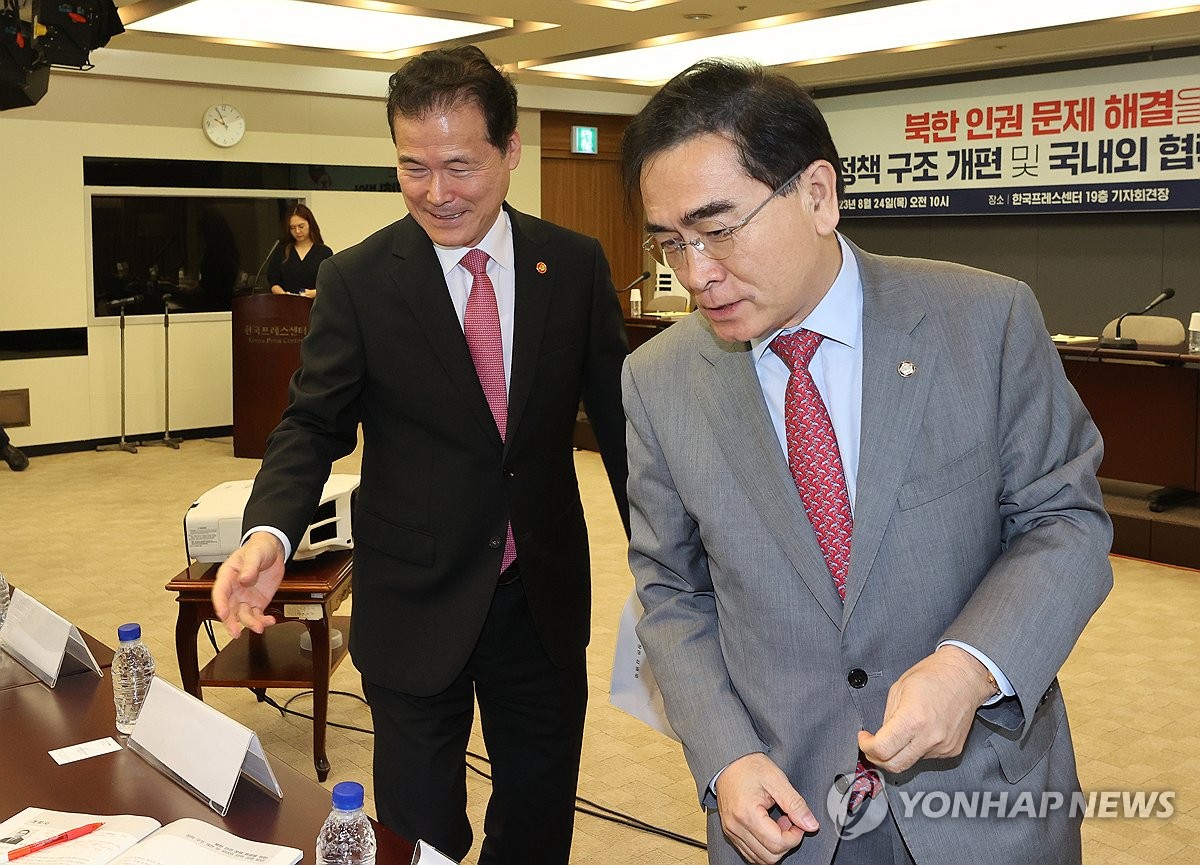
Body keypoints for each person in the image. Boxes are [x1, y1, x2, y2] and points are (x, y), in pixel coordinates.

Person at [619, 59, 1113, 865]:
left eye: (719, 228)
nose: (696, 273)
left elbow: (1064, 521)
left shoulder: (983, 323)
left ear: (817, 194)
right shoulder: (659, 378)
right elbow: (671, 590)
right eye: (671, 242)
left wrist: (969, 666)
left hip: (982, 799)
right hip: (782, 808)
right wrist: (724, 755)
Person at [211, 45, 629, 865]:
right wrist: (269, 534)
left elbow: (622, 431)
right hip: (414, 599)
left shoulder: (572, 266)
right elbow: (310, 424)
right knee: (419, 832)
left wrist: (673, 563)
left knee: (539, 821)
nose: (437, 194)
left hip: (538, 596)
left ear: (510, 152)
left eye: (460, 166)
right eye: (413, 168)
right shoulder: (361, 280)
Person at [267, 204, 333, 298]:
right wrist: (283, 295)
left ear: (310, 224)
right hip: (287, 306)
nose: (297, 231)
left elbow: (330, 283)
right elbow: (273, 281)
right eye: (293, 228)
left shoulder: (324, 252)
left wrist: (315, 292)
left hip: (315, 306)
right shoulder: (282, 250)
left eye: (301, 226)